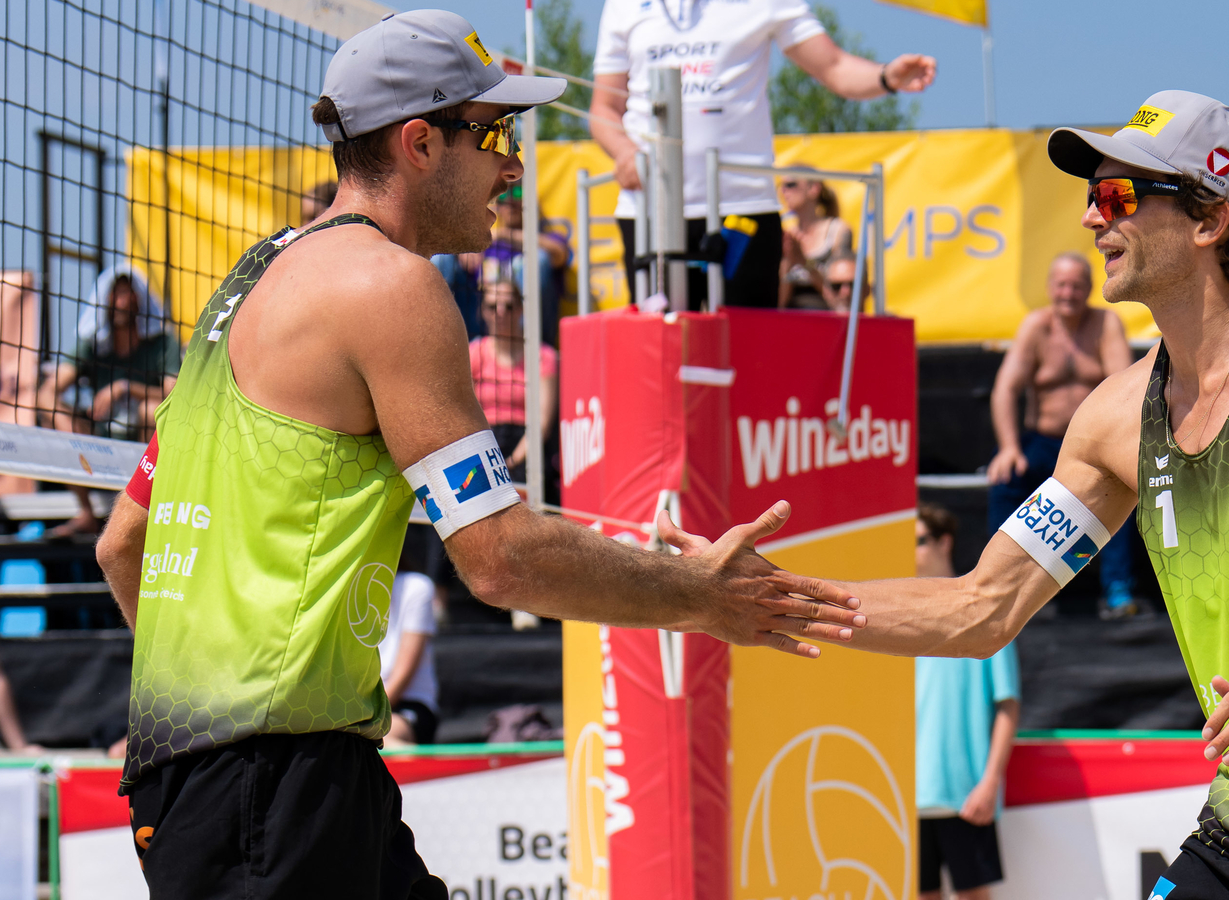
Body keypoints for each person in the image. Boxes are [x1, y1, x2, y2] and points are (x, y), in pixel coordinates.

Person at [664, 90, 1229, 898]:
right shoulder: (1113, 419)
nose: (1089, 218)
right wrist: (763, 598)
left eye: (1115, 195)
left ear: (1210, 219)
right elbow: (981, 609)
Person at [92, 12, 860, 898]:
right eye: (493, 132)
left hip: (237, 772)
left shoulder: (246, 284)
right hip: (277, 782)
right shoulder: (391, 286)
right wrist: (699, 596)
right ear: (419, 143)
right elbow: (497, 558)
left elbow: (124, 542)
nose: (514, 163)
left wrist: (203, 709)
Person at [588, 0, 935, 308]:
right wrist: (625, 152)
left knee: (746, 354)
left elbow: (833, 66)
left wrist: (887, 77)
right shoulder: (624, 5)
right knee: (662, 354)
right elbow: (604, 106)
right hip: (651, 214)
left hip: (744, 209)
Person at [986, 253, 1138, 618]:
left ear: (1089, 288)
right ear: (1050, 288)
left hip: (1093, 445)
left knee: (1124, 489)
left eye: (1076, 286)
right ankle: (1003, 587)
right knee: (1005, 480)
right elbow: (1005, 390)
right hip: (1043, 441)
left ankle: (1117, 589)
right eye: (1062, 285)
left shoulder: (1105, 325)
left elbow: (1125, 389)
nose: (1068, 293)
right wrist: (1008, 448)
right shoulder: (1036, 327)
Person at [913, 503, 1018, 900]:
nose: (909, 550)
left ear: (945, 542)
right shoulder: (894, 621)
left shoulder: (983, 613)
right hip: (905, 794)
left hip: (964, 793)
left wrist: (990, 782)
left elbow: (1008, 704)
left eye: (918, 540)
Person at [46, 265, 180, 536]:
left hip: (143, 447)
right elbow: (48, 391)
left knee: (150, 410)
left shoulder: (162, 342)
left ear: (140, 300)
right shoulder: (93, 343)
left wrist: (124, 388)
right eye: (115, 295)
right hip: (97, 448)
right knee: (52, 409)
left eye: (128, 294)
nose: (122, 302)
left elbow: (175, 395)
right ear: (104, 301)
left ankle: (145, 505)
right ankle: (85, 511)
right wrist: (79, 414)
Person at [471, 278, 557, 489]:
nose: (500, 312)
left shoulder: (542, 356)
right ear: (482, 311)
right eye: (492, 306)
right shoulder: (473, 354)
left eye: (508, 306)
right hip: (482, 444)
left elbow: (541, 424)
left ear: (520, 310)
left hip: (527, 450)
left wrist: (510, 463)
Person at [480, 185, 569, 347]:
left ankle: (524, 345)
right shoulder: (488, 245)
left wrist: (507, 235)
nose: (510, 201)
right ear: (497, 206)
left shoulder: (547, 238)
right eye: (502, 197)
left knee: (538, 259)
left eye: (518, 192)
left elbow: (560, 254)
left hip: (536, 337)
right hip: (490, 329)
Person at [380, 544, 441, 746]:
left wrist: (363, 719)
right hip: (360, 712)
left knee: (377, 741)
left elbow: (403, 672)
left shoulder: (417, 587)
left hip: (406, 706)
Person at [778, 170, 853, 310]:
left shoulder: (837, 231)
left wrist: (805, 262)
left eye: (791, 184)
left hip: (826, 317)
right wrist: (788, 262)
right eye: (781, 186)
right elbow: (780, 303)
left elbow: (839, 294)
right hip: (791, 318)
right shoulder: (788, 235)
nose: (784, 191)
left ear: (814, 188)